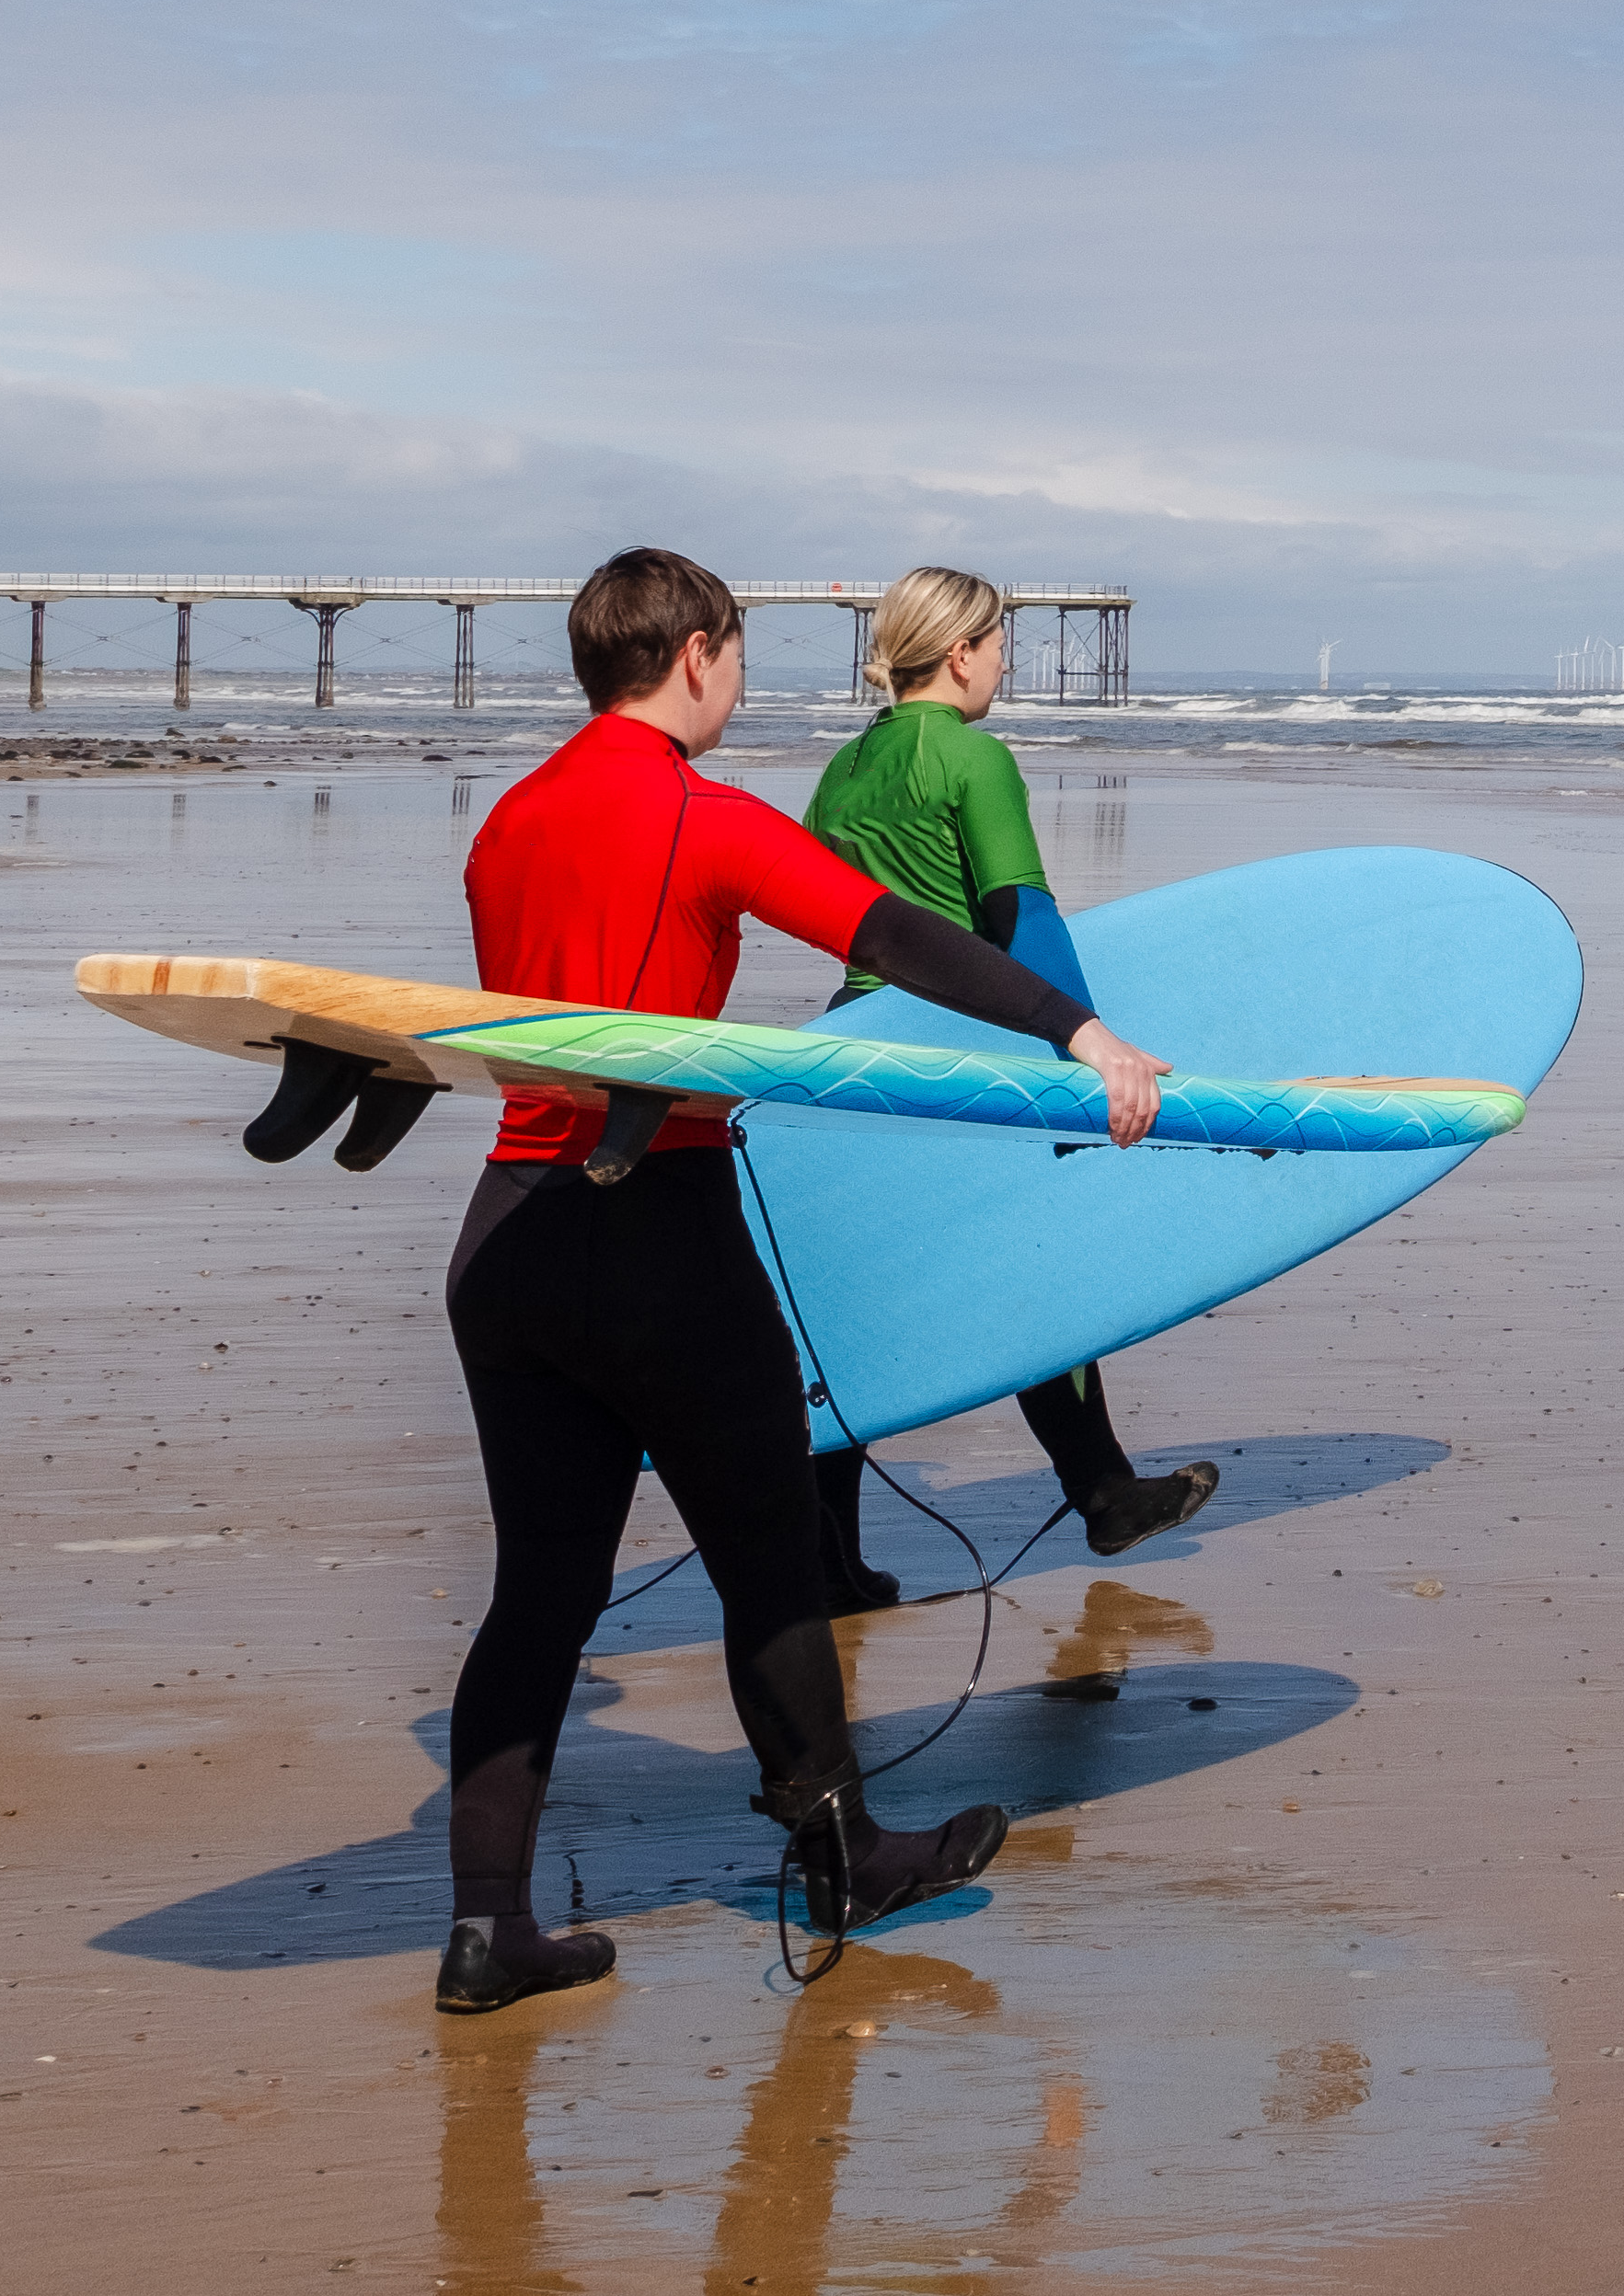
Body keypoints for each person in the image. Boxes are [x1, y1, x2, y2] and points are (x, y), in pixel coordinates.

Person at [425, 545, 1177, 2015]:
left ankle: (483, 1928)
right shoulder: (701, 816)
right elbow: (892, 936)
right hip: (659, 1231)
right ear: (697, 653)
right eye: (740, 660)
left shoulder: (510, 820)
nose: (742, 685)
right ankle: (843, 1864)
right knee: (770, 1561)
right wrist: (1077, 1035)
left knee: (538, 1601)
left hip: (509, 1240)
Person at [799, 564, 1226, 1590]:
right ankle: (1108, 1494)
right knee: (1032, 1273)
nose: (1004, 663)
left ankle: (828, 1561)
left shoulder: (840, 774)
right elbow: (1019, 917)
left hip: (851, 1054)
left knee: (850, 1304)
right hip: (964, 1054)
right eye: (1000, 646)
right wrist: (1089, 1040)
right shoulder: (973, 758)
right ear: (960, 654)